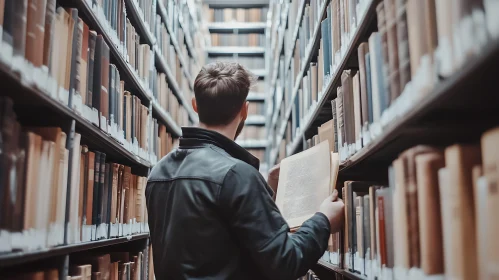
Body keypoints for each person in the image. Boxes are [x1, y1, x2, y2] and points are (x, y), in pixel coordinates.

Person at [146, 62, 344, 280]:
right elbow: (286, 262)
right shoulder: (237, 175)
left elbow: (210, 241)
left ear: (195, 105)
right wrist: (324, 220)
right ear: (245, 110)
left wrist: (264, 192)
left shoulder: (158, 173)